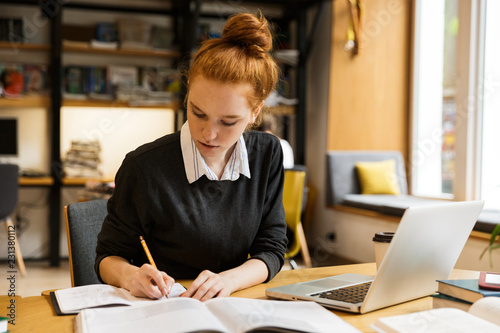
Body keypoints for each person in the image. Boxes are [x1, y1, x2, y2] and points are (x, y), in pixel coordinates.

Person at [95, 12, 288, 302]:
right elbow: (108, 257)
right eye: (198, 113)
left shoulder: (268, 155)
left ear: (255, 113)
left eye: (228, 122)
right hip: (165, 309)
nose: (209, 134)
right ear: (187, 94)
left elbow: (272, 249)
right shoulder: (144, 167)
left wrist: (228, 280)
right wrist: (130, 275)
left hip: (236, 304)